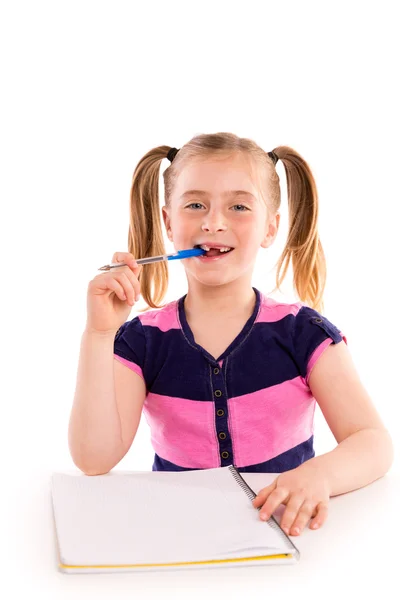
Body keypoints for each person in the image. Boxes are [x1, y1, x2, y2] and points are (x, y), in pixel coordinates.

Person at [68, 132, 393, 537]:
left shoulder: (304, 334)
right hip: (177, 537)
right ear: (169, 222)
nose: (214, 222)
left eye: (238, 206)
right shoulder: (141, 342)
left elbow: (373, 442)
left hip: (286, 535)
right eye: (195, 205)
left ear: (270, 228)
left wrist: (319, 476)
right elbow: (93, 459)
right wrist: (100, 333)